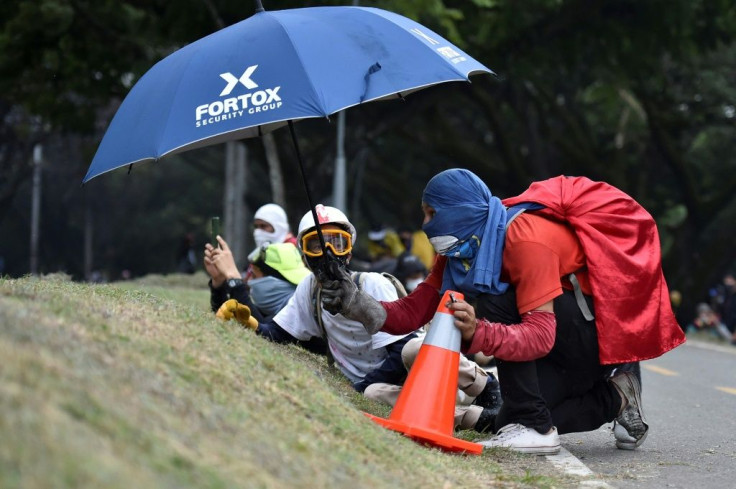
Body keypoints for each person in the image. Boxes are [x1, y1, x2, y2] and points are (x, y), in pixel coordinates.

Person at [321, 169, 685, 455]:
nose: (426, 224)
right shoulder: (458, 249)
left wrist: (479, 332)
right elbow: (414, 311)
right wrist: (357, 304)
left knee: (499, 300)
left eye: (433, 213)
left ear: (460, 211)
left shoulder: (525, 239)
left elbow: (541, 336)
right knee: (513, 420)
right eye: (424, 214)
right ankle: (617, 395)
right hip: (561, 339)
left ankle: (535, 426)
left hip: (590, 336)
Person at [216, 204, 502, 433]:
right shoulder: (309, 289)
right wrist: (250, 324)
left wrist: (360, 386)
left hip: (424, 370)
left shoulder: (372, 283)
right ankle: (476, 419)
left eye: (336, 243)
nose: (328, 253)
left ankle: (485, 385)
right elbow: (279, 334)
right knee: (374, 395)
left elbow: (400, 350)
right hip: (385, 388)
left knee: (415, 349)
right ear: (304, 254)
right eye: (317, 245)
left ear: (349, 250)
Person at [205, 240, 309, 322]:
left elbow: (263, 327)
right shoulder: (279, 307)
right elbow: (231, 316)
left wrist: (235, 281)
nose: (249, 281)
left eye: (254, 276)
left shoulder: (302, 310)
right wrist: (219, 284)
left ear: (276, 281)